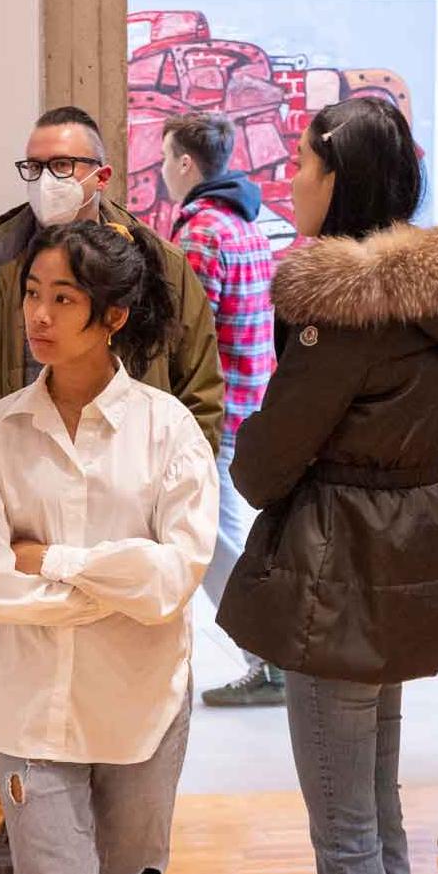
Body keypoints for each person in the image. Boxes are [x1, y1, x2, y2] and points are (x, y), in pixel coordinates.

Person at [217, 96, 438, 874]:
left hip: (335, 574)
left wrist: (259, 440)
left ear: (342, 176)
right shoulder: (436, 307)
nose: (286, 173)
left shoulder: (337, 319)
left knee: (347, 833)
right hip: (400, 568)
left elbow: (262, 462)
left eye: (300, 158)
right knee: (374, 827)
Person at [0, 105, 223, 874]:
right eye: (34, 168)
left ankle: (106, 823)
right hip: (17, 504)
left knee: (120, 681)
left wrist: (171, 490)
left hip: (126, 509)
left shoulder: (156, 263)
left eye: (64, 166)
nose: (48, 182)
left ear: (100, 173)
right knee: (22, 668)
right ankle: (27, 816)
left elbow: (200, 392)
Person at [0, 219, 217, 874]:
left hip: (143, 709)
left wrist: (58, 564)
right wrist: (111, 581)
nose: (38, 314)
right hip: (31, 715)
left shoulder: (169, 431)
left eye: (62, 298)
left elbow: (173, 578)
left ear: (110, 318)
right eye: (33, 293)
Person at [160, 112, 281, 706]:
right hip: (248, 408)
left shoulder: (203, 233)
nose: (161, 172)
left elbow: (185, 332)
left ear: (186, 163)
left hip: (217, 415)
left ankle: (272, 657)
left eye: (165, 160)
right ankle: (272, 655)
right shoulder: (244, 225)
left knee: (211, 542)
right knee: (223, 537)